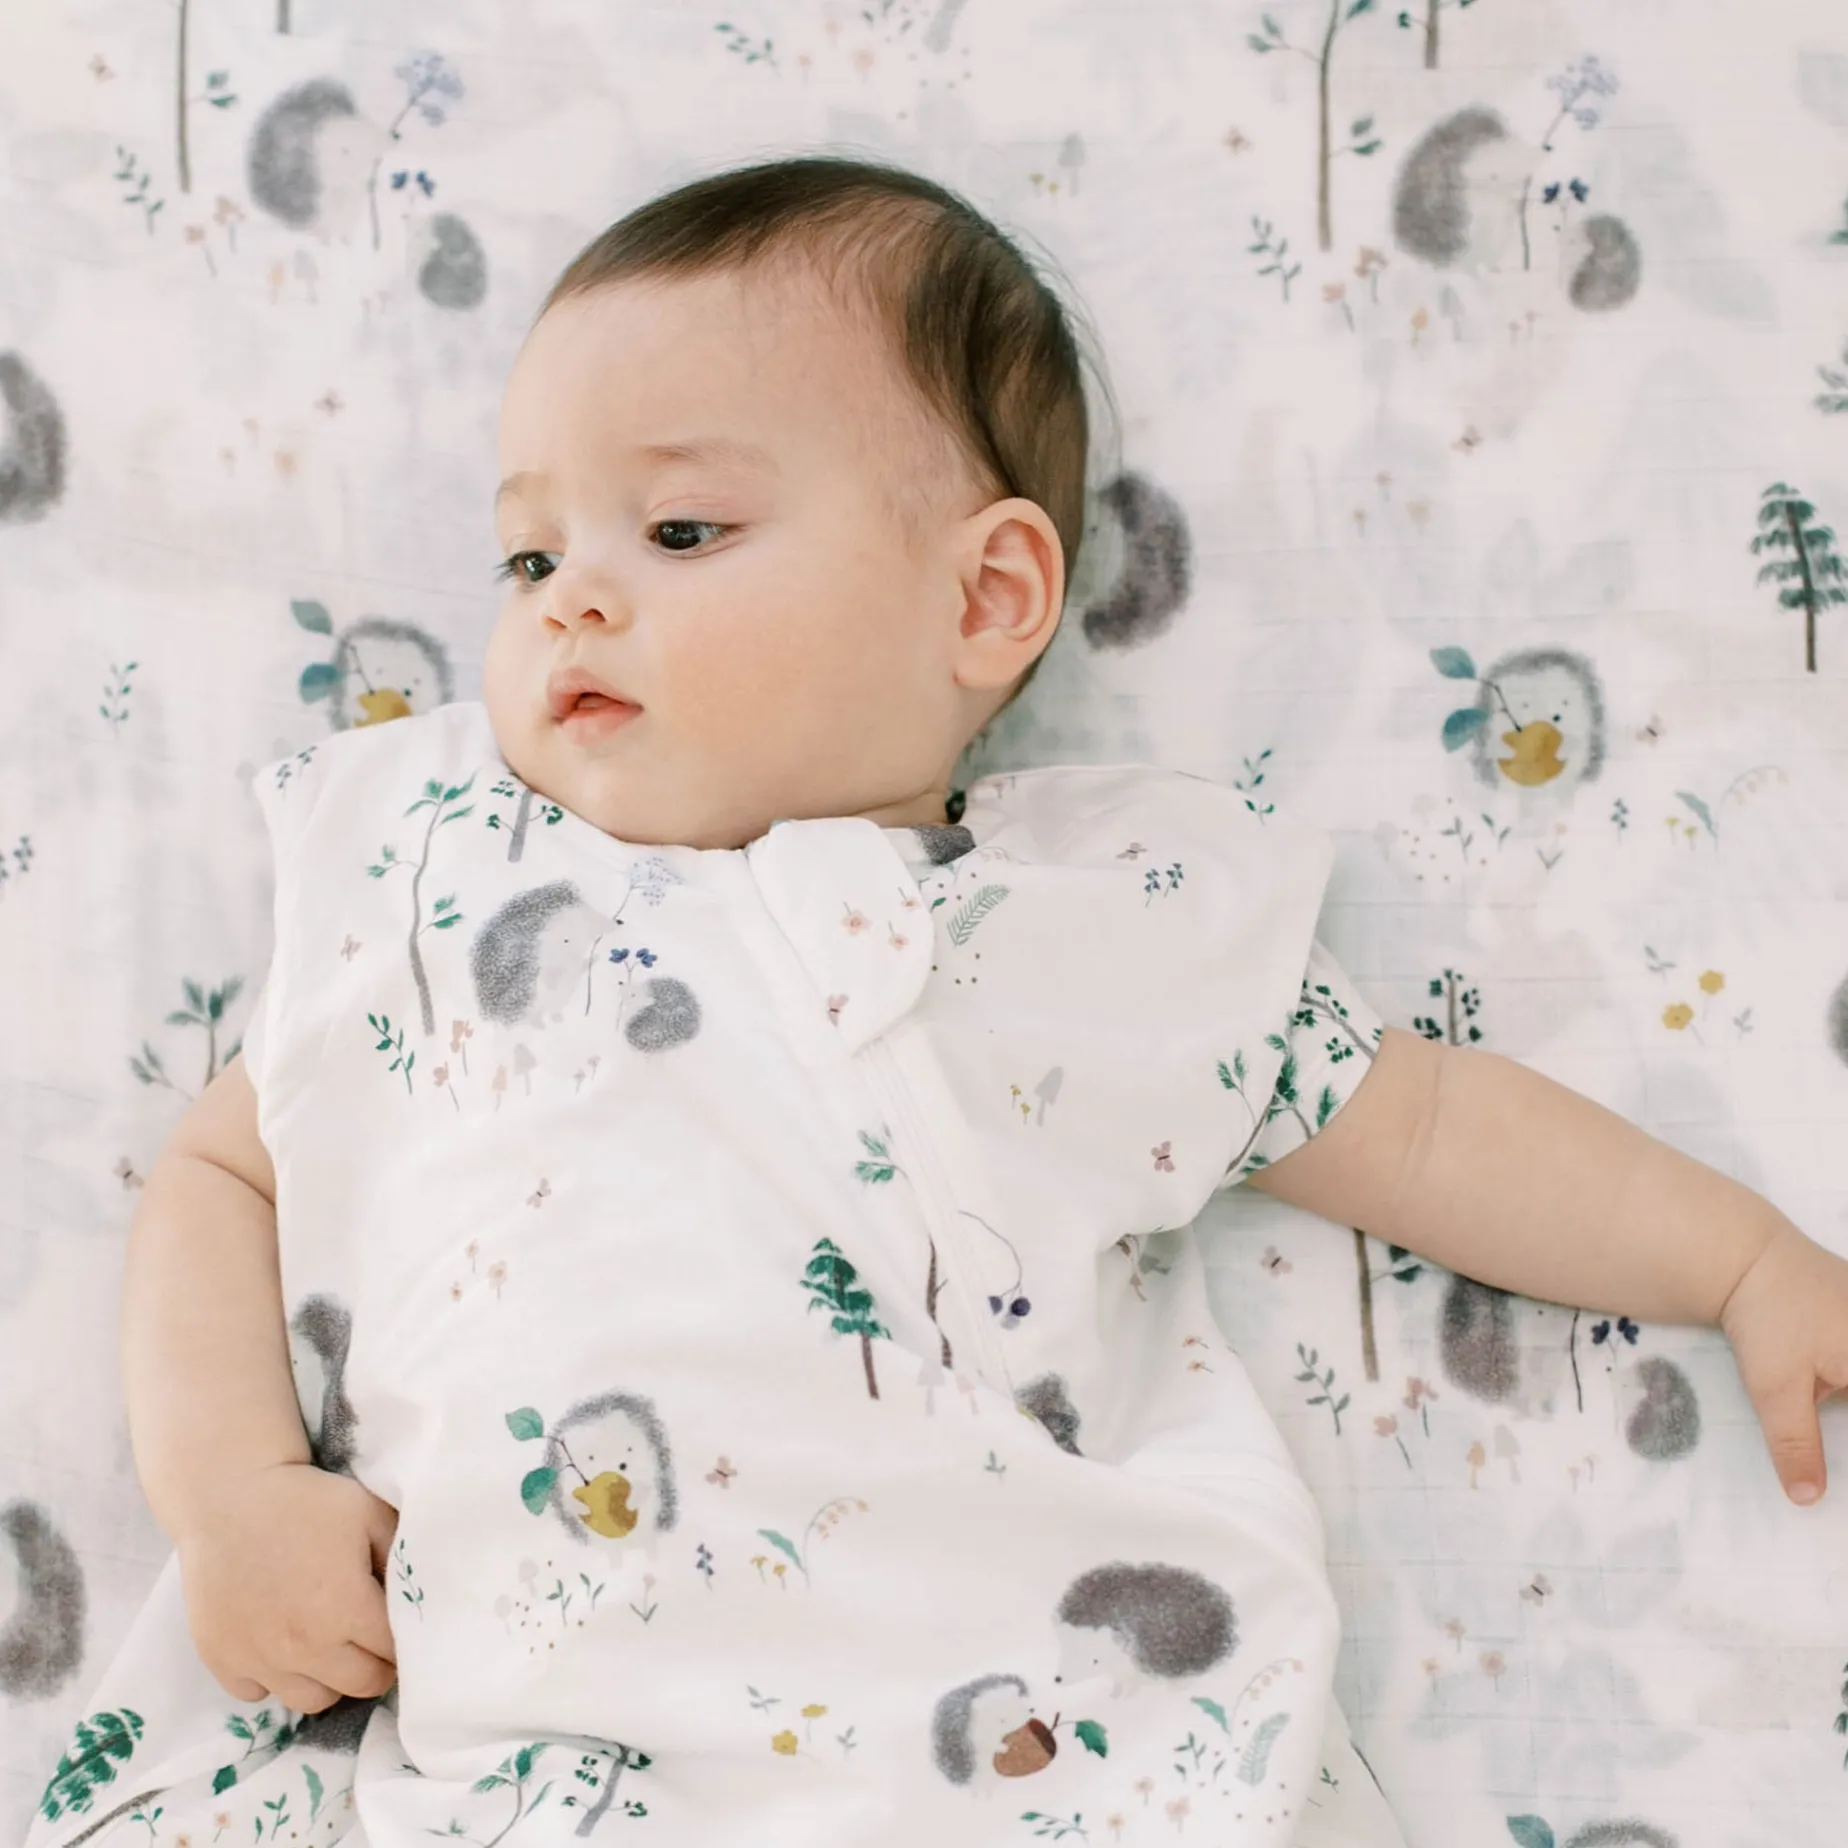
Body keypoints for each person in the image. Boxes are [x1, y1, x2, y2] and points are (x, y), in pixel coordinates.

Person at [25, 155, 1847, 1848]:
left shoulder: (1093, 923)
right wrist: (232, 1491)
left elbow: (1424, 1126)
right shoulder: (435, 860)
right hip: (538, 1776)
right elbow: (225, 1173)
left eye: (679, 529)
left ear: (986, 598)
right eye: (531, 556)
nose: (570, 599)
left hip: (1010, 1755)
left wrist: (1740, 1261)